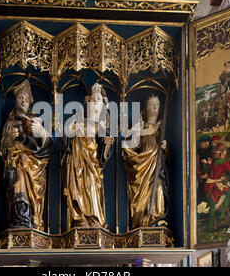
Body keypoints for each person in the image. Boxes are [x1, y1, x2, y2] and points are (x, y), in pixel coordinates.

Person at [0, 80, 53, 230]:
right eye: (20, 97)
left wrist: (41, 133)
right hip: (17, 164)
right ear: (15, 100)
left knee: (24, 166)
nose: (23, 100)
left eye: (26, 98)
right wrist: (11, 141)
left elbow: (48, 147)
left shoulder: (36, 121)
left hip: (34, 165)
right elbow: (3, 147)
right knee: (19, 174)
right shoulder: (10, 122)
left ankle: (31, 219)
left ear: (30, 102)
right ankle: (20, 219)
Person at [62, 83, 114, 229]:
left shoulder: (100, 126)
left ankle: (94, 219)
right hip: (76, 162)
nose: (94, 102)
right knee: (76, 189)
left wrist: (107, 143)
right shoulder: (78, 120)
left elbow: (105, 146)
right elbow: (66, 137)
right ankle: (79, 219)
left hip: (92, 164)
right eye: (92, 99)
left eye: (97, 100)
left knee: (92, 187)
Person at [123, 94, 169, 229]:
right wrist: (141, 132)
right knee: (141, 192)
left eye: (157, 104)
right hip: (142, 162)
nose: (154, 106)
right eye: (151, 104)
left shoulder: (162, 127)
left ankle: (156, 218)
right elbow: (132, 142)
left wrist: (165, 148)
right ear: (145, 108)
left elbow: (165, 153)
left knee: (158, 186)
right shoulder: (141, 125)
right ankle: (142, 220)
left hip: (155, 164)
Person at [203, 143, 230, 232]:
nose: (225, 152)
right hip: (215, 185)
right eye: (223, 150)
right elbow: (228, 172)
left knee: (213, 204)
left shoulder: (213, 161)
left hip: (210, 184)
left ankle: (211, 225)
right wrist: (226, 180)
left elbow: (211, 171)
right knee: (229, 194)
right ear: (221, 152)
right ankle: (222, 214)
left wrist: (208, 164)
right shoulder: (224, 162)